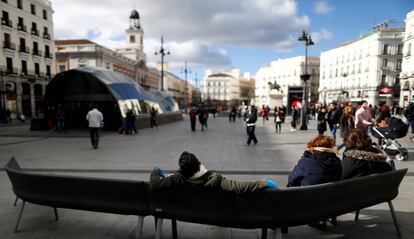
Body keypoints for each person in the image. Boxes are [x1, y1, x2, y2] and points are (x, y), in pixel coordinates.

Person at [150, 151, 277, 193]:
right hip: (218, 213)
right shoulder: (215, 179)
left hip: (188, 213)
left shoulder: (176, 179)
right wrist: (263, 182)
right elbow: (237, 186)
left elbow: (155, 184)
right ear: (199, 163)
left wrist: (156, 171)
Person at [287, 135, 342, 230]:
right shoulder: (337, 162)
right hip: (331, 200)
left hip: (309, 200)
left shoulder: (306, 160)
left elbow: (292, 179)